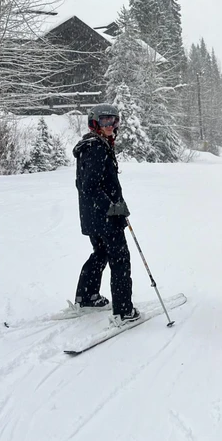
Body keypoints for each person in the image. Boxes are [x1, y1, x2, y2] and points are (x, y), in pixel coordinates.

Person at [73, 103, 138, 326]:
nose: (110, 125)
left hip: (94, 216)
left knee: (101, 254)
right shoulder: (96, 148)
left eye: (114, 121)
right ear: (94, 123)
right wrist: (113, 208)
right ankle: (124, 311)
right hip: (104, 217)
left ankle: (88, 296)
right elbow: (89, 186)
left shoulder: (92, 145)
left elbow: (85, 184)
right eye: (105, 121)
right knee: (120, 260)